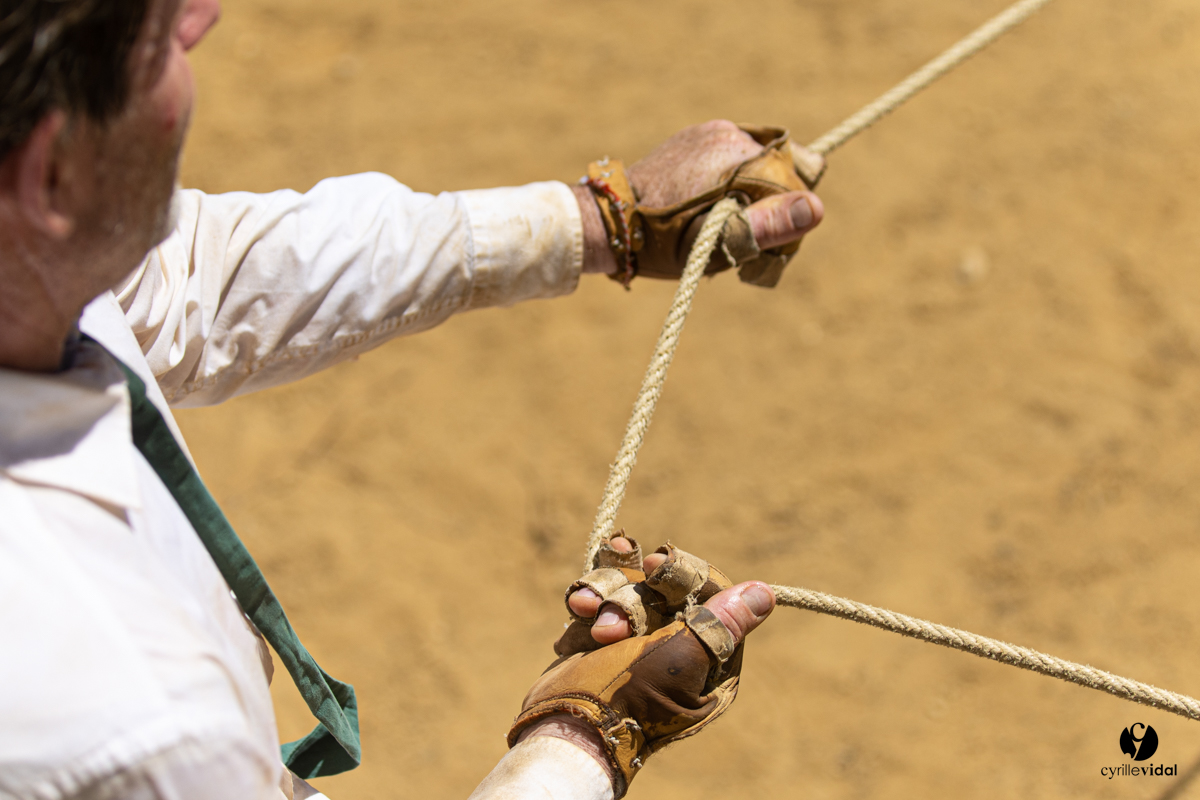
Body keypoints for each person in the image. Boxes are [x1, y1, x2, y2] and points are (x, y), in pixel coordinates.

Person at [0, 0, 824, 798]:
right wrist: (588, 738)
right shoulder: (128, 719)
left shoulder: (31, 248)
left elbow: (185, 277)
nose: (203, 15)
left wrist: (596, 221)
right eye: (155, 42)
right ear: (52, 173)